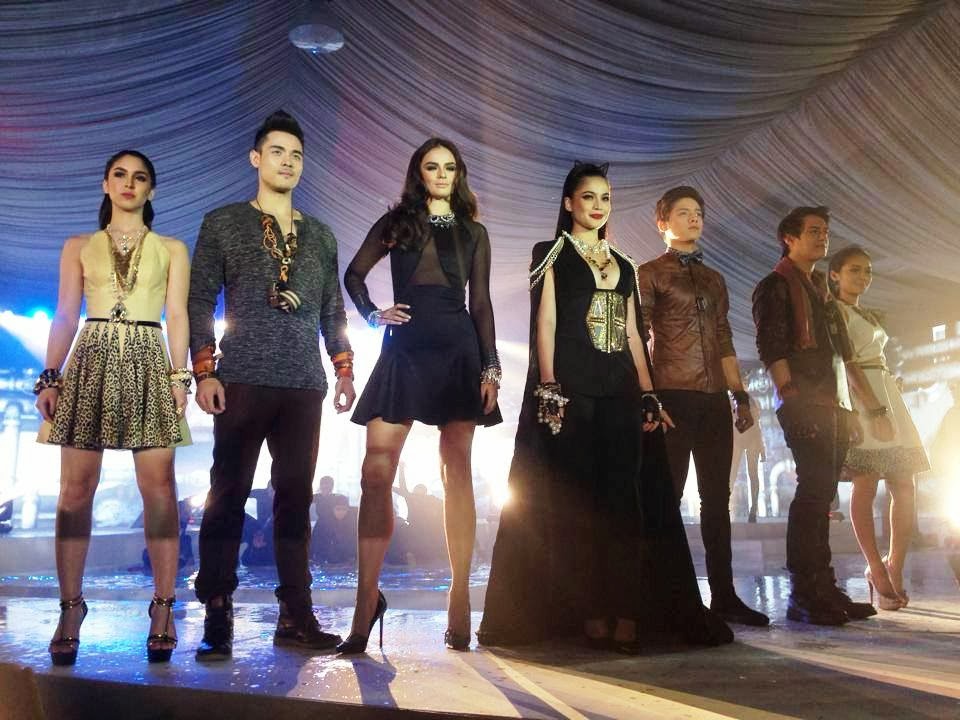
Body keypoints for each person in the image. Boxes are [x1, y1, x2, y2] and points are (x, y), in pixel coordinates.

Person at [478, 162, 732, 653]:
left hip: (620, 393)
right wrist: (549, 386)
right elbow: (546, 323)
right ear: (569, 203)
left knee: (625, 505)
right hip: (573, 393)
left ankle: (627, 613)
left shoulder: (625, 263)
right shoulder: (550, 254)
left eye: (606, 198)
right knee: (580, 507)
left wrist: (649, 393)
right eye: (589, 197)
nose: (598, 206)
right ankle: (591, 613)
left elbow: (635, 334)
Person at [188, 110, 355, 660]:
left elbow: (332, 309)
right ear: (256, 158)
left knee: (295, 498)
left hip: (304, 383)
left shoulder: (322, 235)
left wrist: (343, 369)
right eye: (277, 151)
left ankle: (296, 615)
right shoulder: (224, 222)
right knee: (227, 494)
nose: (288, 162)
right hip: (239, 378)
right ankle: (217, 611)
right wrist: (205, 369)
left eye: (296, 155)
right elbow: (199, 297)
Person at [340, 137, 502, 653]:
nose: (441, 174)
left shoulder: (474, 233)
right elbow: (354, 274)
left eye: (449, 167)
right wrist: (373, 315)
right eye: (432, 167)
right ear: (419, 173)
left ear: (459, 174)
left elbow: (482, 303)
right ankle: (366, 601)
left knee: (457, 472)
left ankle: (460, 597)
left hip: (458, 351)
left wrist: (491, 367)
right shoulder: (397, 223)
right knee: (375, 472)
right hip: (404, 350)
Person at [35, 149, 190, 664]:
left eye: (139, 177)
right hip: (90, 358)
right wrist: (49, 376)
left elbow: (177, 315)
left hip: (149, 357)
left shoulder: (172, 249)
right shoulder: (78, 246)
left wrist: (180, 377)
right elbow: (64, 314)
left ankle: (163, 606)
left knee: (160, 489)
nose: (129, 183)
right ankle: (70, 607)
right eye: (120, 175)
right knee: (74, 491)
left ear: (151, 189)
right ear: (105, 184)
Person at [637, 186, 768, 626]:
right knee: (667, 497)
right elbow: (638, 335)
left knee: (717, 499)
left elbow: (724, 337)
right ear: (663, 223)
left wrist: (739, 394)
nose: (694, 219)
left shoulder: (714, 278)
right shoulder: (649, 273)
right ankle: (663, 599)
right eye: (683, 213)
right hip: (671, 396)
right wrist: (647, 396)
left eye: (698, 212)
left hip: (714, 399)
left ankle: (724, 596)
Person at [752, 206, 875, 625]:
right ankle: (803, 594)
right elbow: (771, 347)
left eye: (825, 231)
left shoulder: (820, 287)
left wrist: (851, 407)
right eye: (814, 231)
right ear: (789, 238)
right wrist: (791, 398)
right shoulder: (775, 286)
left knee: (823, 496)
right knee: (812, 495)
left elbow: (840, 353)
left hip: (834, 401)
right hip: (805, 402)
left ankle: (824, 587)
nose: (823, 237)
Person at [828, 245, 929, 610]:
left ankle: (894, 565)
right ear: (835, 274)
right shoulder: (833, 311)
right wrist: (873, 407)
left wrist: (889, 391)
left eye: (867, 271)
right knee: (866, 482)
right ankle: (875, 567)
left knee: (904, 483)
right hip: (862, 397)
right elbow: (847, 363)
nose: (863, 277)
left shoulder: (867, 313)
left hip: (886, 390)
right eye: (854, 270)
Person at [730, 395, 766, 523]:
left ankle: (753, 509)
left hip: (750, 439)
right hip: (739, 439)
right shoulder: (732, 400)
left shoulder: (752, 402)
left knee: (752, 475)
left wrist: (761, 448)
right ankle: (726, 506)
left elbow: (757, 426)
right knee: (733, 474)